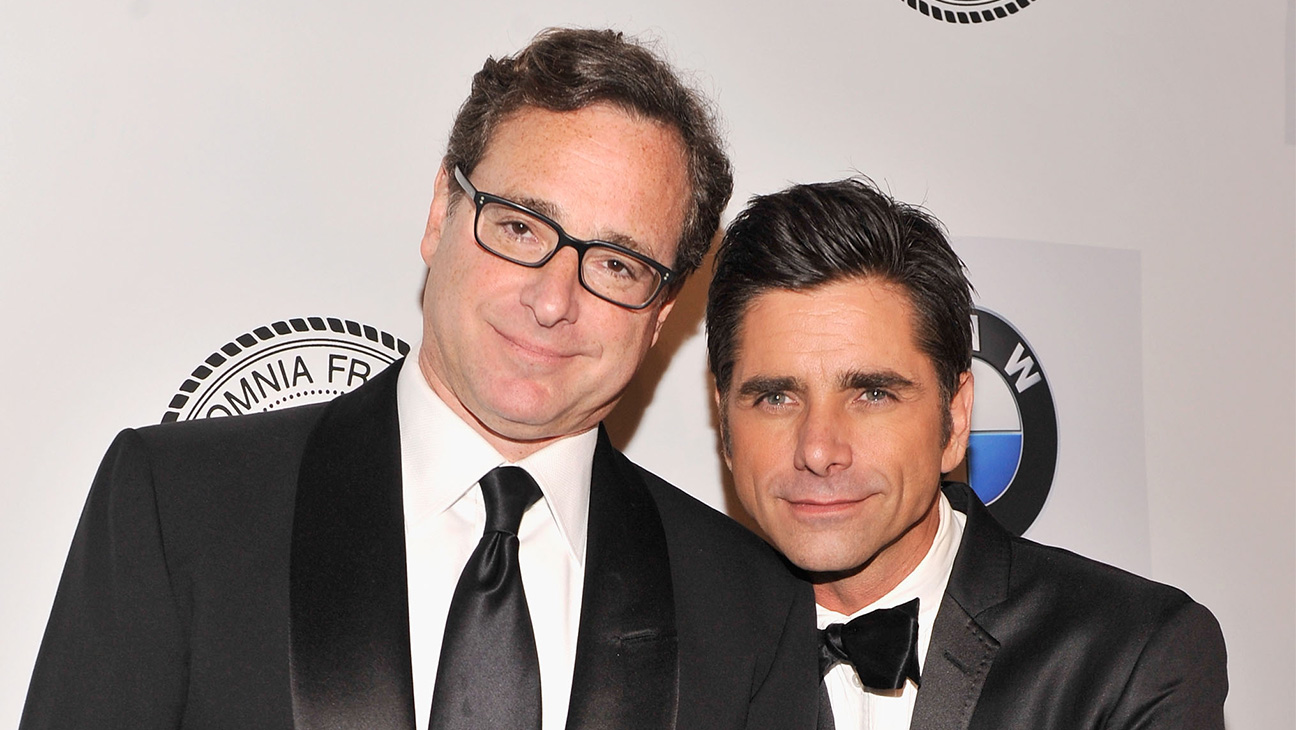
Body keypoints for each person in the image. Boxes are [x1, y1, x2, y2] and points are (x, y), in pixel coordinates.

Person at [22, 29, 818, 730]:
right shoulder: (180, 507)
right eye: (518, 226)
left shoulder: (747, 608)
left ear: (661, 309)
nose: (552, 300)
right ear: (441, 211)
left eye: (615, 263)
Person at [706, 178, 1228, 730]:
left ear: (954, 418)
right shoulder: (669, 653)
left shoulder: (1130, 656)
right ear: (725, 425)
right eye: (776, 397)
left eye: (873, 394)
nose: (818, 449)